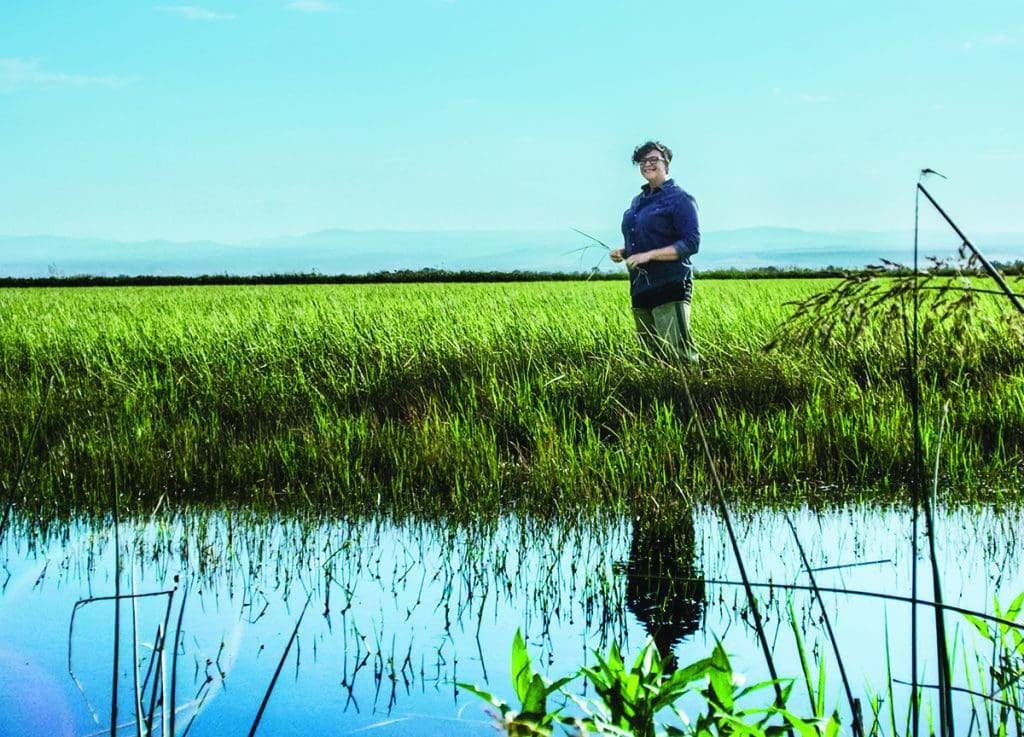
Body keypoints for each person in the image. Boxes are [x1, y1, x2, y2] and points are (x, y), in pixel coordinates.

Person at [610, 141, 700, 370]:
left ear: (666, 163)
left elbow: (690, 243)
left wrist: (647, 256)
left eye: (653, 160)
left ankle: (693, 402)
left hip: (670, 284)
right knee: (651, 358)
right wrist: (625, 252)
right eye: (643, 161)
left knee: (680, 356)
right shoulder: (637, 202)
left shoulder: (681, 199)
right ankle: (660, 403)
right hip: (641, 287)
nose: (647, 164)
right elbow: (645, 241)